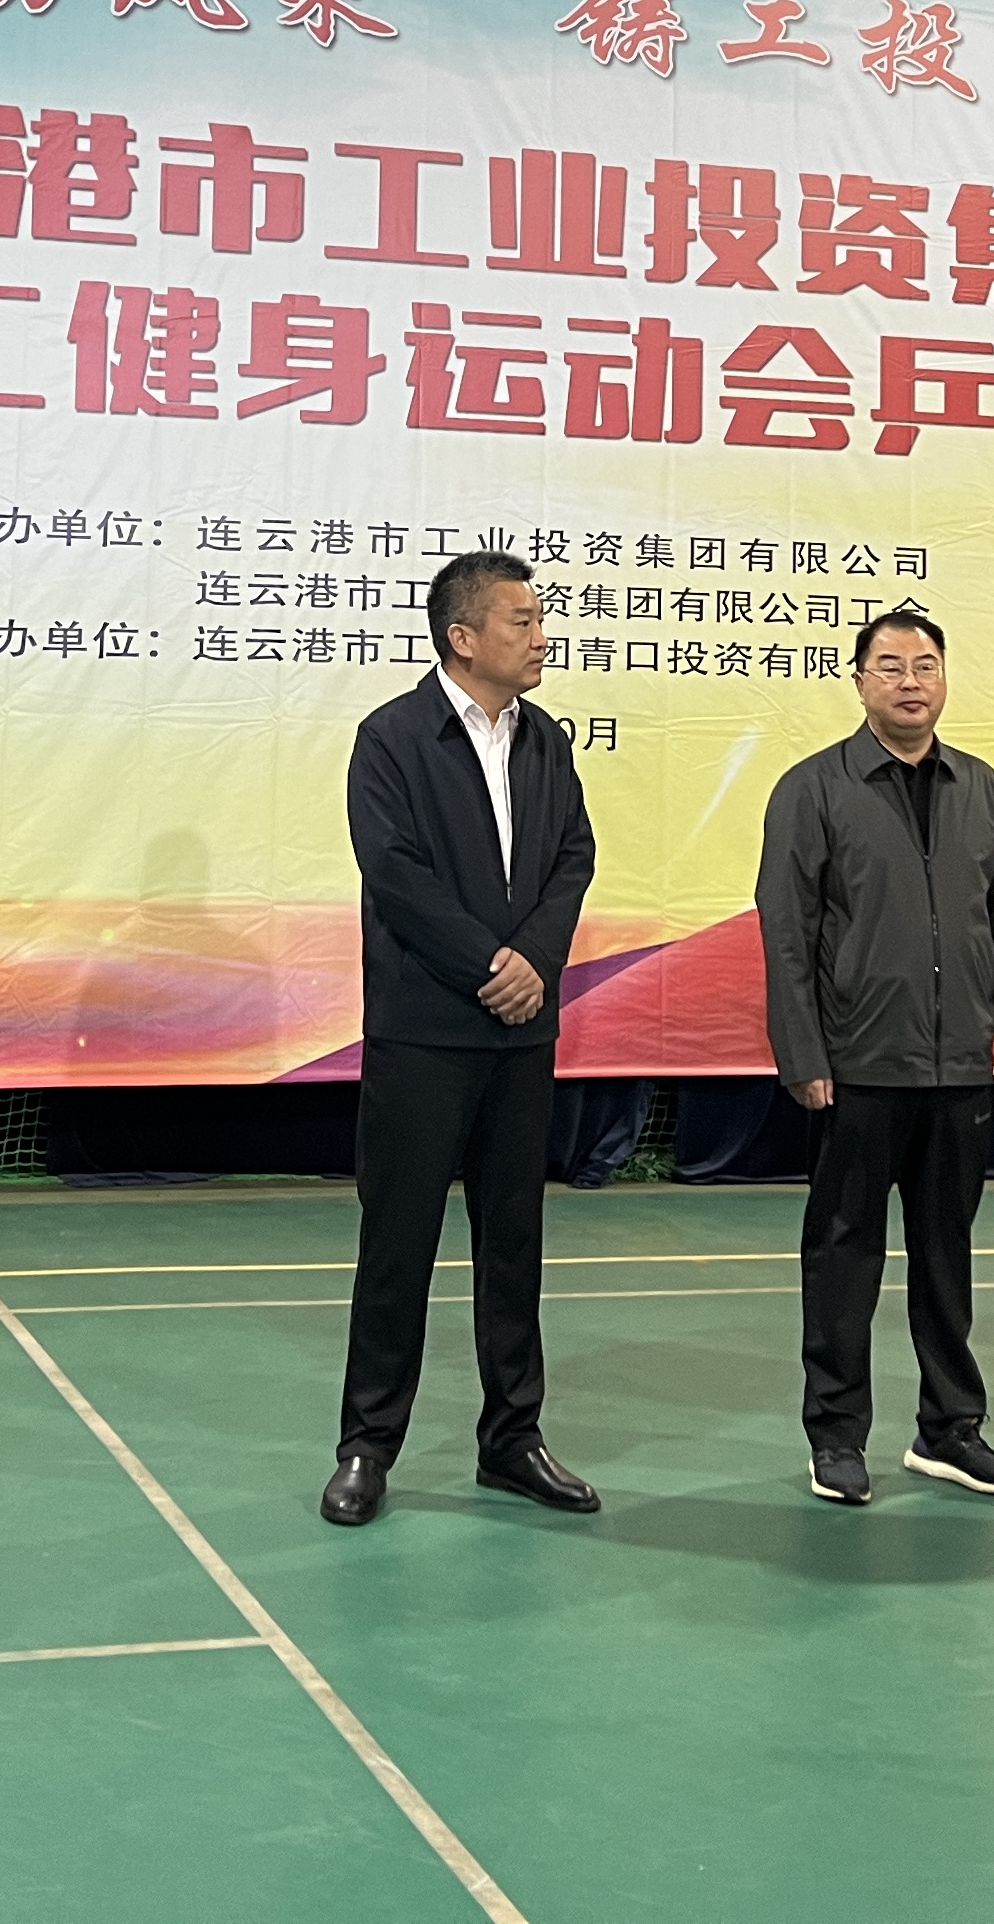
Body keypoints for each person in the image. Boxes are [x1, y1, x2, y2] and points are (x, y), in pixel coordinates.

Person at [322, 552, 601, 1527]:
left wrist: (536, 961)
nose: (541, 636)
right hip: (425, 1033)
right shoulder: (393, 738)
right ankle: (367, 1445)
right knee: (398, 1243)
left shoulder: (546, 742)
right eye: (523, 621)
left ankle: (512, 1440)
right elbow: (395, 874)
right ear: (464, 637)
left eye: (540, 619)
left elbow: (572, 858)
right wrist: (489, 964)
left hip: (521, 1039)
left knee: (513, 1244)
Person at [754, 606, 994, 1508]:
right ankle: (836, 1437)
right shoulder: (813, 788)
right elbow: (787, 933)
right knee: (843, 1255)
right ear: (859, 682)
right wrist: (803, 1051)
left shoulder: (982, 788)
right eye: (890, 666)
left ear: (945, 679)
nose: (911, 682)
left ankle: (950, 1430)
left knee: (947, 1254)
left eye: (925, 666)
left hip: (961, 1070)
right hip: (857, 1067)